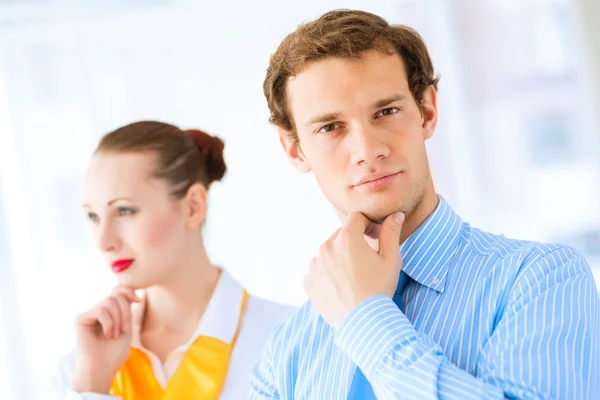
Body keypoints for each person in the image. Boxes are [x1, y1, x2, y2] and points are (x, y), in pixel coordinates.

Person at [250, 9, 600, 400]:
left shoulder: (541, 281)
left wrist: (366, 320)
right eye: (330, 127)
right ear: (295, 150)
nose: (367, 150)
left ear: (427, 111)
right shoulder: (283, 357)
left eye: (386, 111)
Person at [52, 121, 295, 400]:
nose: (103, 241)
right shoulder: (77, 372)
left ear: (193, 207)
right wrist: (93, 386)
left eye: (125, 211)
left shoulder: (291, 341)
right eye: (93, 216)